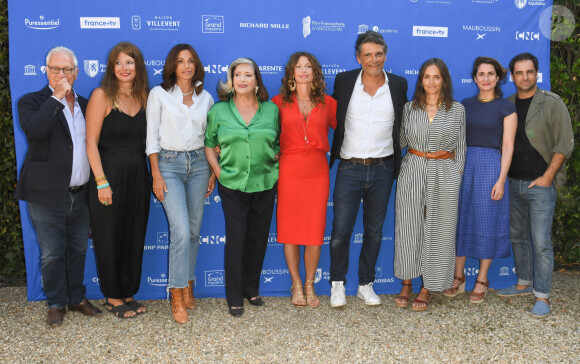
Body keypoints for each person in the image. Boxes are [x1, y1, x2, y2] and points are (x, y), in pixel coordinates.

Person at [15, 46, 102, 326]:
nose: (61, 74)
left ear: (77, 73)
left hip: (81, 193)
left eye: (67, 70)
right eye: (55, 69)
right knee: (52, 253)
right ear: (47, 71)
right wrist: (56, 97)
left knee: (77, 249)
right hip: (46, 196)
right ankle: (55, 302)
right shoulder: (31, 101)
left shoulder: (88, 105)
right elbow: (34, 131)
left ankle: (76, 297)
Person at [329, 30, 408, 307]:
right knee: (340, 230)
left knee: (374, 231)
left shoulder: (398, 85)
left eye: (379, 54)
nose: (374, 59)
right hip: (349, 168)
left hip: (383, 169)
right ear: (358, 58)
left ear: (385, 55)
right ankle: (337, 284)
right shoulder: (344, 81)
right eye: (368, 55)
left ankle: (365, 284)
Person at [496, 53, 574, 318]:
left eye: (529, 72)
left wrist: (548, 176)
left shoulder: (552, 103)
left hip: (540, 185)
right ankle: (523, 282)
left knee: (541, 242)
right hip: (513, 183)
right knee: (518, 238)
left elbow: (565, 144)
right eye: (519, 73)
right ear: (513, 76)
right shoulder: (506, 105)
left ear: (536, 74)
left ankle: (543, 295)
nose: (524, 77)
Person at [146, 44, 216, 324]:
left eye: (190, 61)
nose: (186, 66)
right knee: (181, 231)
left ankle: (188, 283)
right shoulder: (159, 94)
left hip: (200, 165)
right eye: (180, 61)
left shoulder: (206, 98)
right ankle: (175, 293)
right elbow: (151, 138)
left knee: (195, 231)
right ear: (172, 66)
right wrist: (156, 174)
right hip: (169, 166)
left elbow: (211, 139)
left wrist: (212, 170)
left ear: (196, 65)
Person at [204, 58, 279, 317]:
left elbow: (279, 139)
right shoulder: (219, 111)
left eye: (249, 74)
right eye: (238, 75)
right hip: (232, 183)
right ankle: (234, 296)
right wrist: (217, 170)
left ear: (257, 80)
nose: (243, 79)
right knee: (236, 240)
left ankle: (252, 289)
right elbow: (208, 142)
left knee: (258, 239)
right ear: (231, 80)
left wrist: (275, 155)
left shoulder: (271, 110)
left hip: (266, 181)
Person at [394, 58, 466, 311]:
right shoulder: (409, 108)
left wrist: (456, 174)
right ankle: (406, 282)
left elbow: (461, 147)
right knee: (409, 227)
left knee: (438, 231)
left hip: (445, 172)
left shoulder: (457, 110)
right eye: (427, 76)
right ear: (421, 80)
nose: (431, 82)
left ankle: (428, 286)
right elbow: (401, 140)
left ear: (444, 80)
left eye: (436, 77)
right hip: (413, 167)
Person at [85, 42, 151, 318]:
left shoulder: (145, 97)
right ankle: (113, 296)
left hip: (138, 175)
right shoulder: (101, 95)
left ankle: (128, 292)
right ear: (111, 67)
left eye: (130, 62)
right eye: (119, 63)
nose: (124, 68)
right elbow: (90, 142)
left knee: (134, 235)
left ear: (138, 67)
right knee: (109, 237)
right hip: (108, 174)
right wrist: (101, 181)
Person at [443, 57, 517, 303]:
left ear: (498, 78)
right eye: (481, 74)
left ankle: (482, 278)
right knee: (461, 220)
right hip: (465, 164)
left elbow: (507, 146)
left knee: (488, 222)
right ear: (474, 78)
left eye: (490, 74)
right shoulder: (465, 105)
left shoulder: (506, 108)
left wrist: (501, 179)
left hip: (491, 168)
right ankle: (458, 276)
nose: (485, 78)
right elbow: (456, 140)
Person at [272, 52, 337, 308]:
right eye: (298, 67)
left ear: (315, 72)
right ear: (291, 72)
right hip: (289, 169)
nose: (303, 71)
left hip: (317, 171)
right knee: (289, 229)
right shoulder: (277, 103)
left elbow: (344, 132)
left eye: (308, 66)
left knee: (314, 230)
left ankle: (310, 284)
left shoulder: (329, 103)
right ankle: (296, 283)